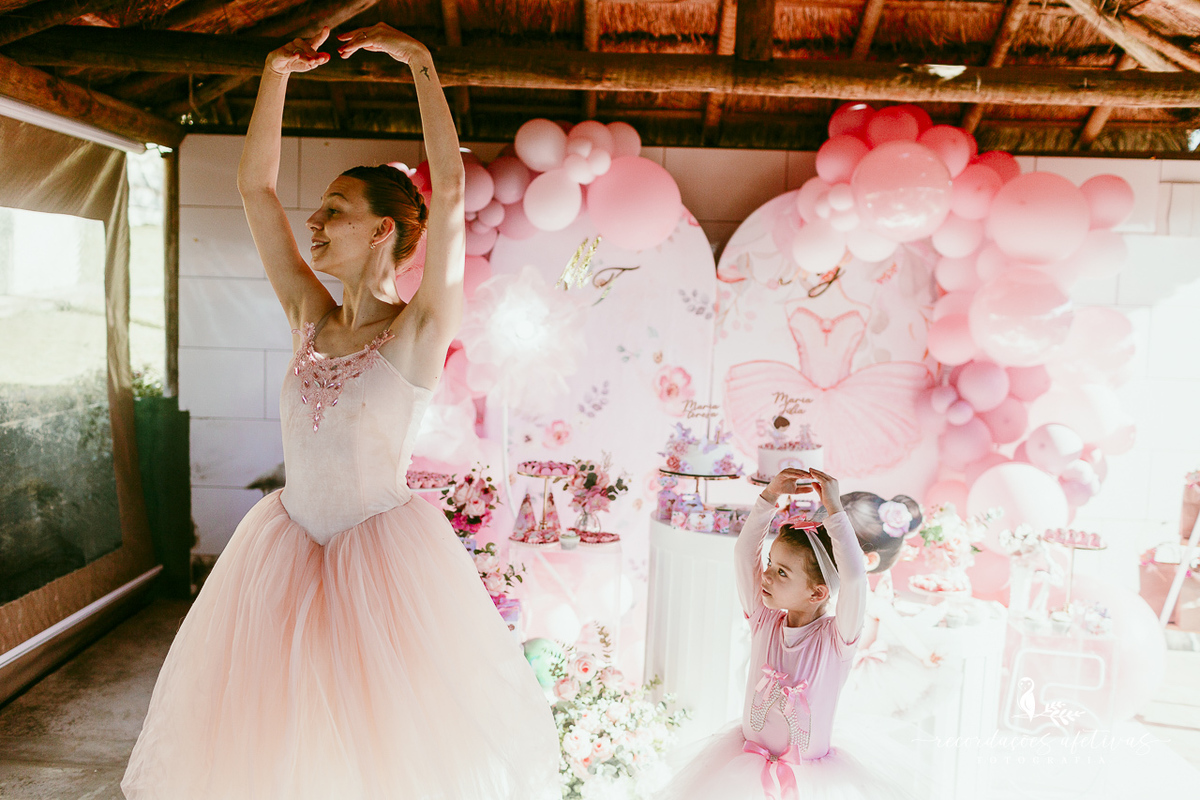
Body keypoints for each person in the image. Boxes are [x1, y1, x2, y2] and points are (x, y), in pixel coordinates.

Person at [121, 24, 559, 800]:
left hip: (381, 572)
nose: (314, 224)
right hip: (282, 559)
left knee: (374, 765)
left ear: (384, 229)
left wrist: (420, 62)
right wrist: (273, 74)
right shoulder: (307, 317)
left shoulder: (419, 329)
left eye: (334, 211)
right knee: (274, 759)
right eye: (319, 212)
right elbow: (255, 190)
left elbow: (452, 191)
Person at [658, 468, 925, 800]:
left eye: (781, 572)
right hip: (744, 770)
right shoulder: (764, 621)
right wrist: (769, 497)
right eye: (770, 563)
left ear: (817, 593)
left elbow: (854, 579)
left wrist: (835, 511)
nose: (766, 576)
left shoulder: (837, 640)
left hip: (808, 781)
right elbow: (744, 554)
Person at [839, 492, 947, 722]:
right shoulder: (853, 597)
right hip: (830, 672)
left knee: (854, 726)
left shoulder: (872, 602)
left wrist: (924, 656)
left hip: (860, 678)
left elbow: (902, 630)